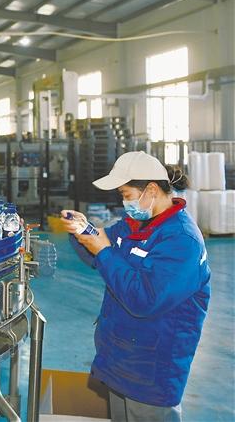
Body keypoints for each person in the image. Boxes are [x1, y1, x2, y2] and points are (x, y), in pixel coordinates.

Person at [62, 151, 209, 422]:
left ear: (151, 190)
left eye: (126, 194)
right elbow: (98, 253)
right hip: (121, 360)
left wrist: (104, 251)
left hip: (151, 372)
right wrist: (81, 230)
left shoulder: (181, 241)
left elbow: (145, 299)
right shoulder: (136, 225)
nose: (124, 202)